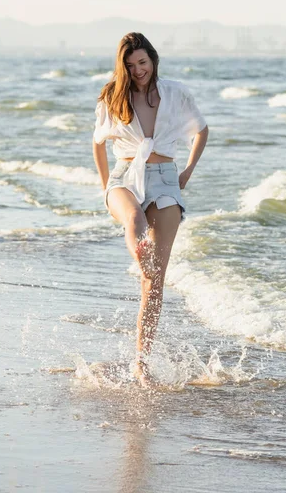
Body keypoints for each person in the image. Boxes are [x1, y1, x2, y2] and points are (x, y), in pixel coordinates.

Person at [92, 32, 208, 387]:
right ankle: (140, 252)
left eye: (142, 62)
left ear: (153, 59)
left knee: (153, 284)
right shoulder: (114, 95)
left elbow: (202, 130)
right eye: (130, 65)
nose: (138, 70)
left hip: (166, 178)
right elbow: (98, 143)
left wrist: (186, 171)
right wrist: (105, 185)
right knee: (134, 217)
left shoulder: (175, 92)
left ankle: (141, 365)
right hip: (126, 175)